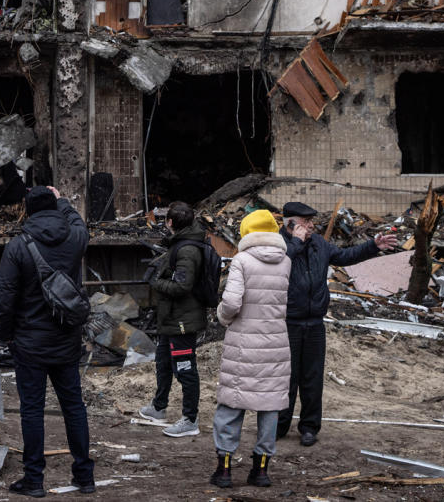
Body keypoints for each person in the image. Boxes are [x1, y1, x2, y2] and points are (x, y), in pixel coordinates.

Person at [0, 186, 95, 498]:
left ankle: (34, 480)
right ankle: (84, 476)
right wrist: (62, 199)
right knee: (74, 406)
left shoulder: (18, 246)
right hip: (66, 340)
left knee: (33, 409)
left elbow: (4, 298)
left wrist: (5, 334)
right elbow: (79, 223)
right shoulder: (76, 238)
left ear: (28, 209)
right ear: (55, 206)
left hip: (29, 342)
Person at [277, 201, 398, 446]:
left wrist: (372, 246)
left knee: (312, 377)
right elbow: (281, 265)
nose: (311, 227)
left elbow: (344, 256)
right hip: (287, 323)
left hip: (314, 323)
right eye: (305, 223)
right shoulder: (278, 245)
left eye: (312, 222)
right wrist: (297, 243)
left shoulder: (319, 244)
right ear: (289, 223)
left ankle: (309, 426)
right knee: (285, 378)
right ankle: (279, 425)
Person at [210, 210, 292, 488]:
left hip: (244, 344)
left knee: (232, 404)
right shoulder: (286, 262)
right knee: (269, 407)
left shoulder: (242, 260)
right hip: (276, 344)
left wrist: (222, 317)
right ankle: (261, 471)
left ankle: (224, 470)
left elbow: (232, 304)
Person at [138, 201, 205, 438]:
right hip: (171, 318)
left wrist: (155, 282)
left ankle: (190, 419)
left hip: (182, 320)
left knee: (185, 368)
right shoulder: (181, 244)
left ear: (169, 223)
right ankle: (158, 407)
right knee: (163, 361)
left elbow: (182, 286)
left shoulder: (187, 249)